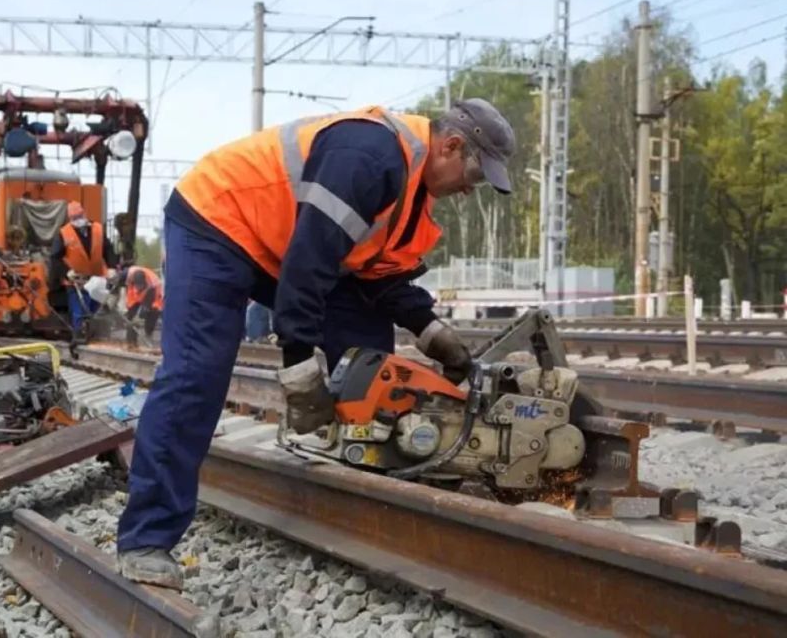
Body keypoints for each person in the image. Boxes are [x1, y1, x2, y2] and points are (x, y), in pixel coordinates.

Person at [116, 99, 516, 589]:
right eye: (473, 177)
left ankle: (376, 494)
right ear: (451, 146)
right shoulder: (371, 156)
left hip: (280, 243)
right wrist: (299, 363)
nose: (468, 191)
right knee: (197, 373)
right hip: (217, 220)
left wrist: (436, 337)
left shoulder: (412, 192)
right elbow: (311, 260)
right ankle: (145, 539)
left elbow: (378, 280)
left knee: (374, 363)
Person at [49, 202, 118, 330]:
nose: (78, 220)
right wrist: (66, 272)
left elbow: (108, 249)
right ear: (70, 219)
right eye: (74, 218)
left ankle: (96, 335)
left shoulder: (97, 229)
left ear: (84, 214)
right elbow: (55, 257)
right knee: (79, 312)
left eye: (80, 216)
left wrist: (112, 267)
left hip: (97, 280)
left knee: (97, 311)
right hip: (76, 281)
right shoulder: (64, 233)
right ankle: (80, 336)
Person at [120, 266, 164, 337]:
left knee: (153, 312)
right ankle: (131, 341)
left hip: (154, 300)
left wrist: (141, 315)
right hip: (140, 297)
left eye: (140, 286)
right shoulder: (130, 279)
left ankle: (148, 335)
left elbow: (147, 304)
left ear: (144, 282)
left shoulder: (153, 286)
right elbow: (131, 300)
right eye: (137, 285)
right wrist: (130, 313)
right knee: (131, 318)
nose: (138, 287)